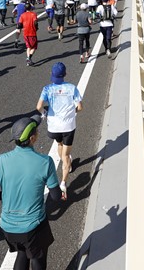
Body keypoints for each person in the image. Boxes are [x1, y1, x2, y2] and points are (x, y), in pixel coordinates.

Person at [0, 114, 62, 270]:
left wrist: (5, 194)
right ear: (32, 138)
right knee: (37, 259)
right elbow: (56, 196)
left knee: (22, 253)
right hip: (33, 227)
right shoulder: (45, 162)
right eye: (37, 131)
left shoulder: (1, 160)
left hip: (8, 228)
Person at [36, 63, 83, 199]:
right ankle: (63, 183)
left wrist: (45, 112)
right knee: (66, 156)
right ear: (65, 74)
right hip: (68, 126)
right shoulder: (72, 88)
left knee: (59, 144)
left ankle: (64, 161)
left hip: (54, 127)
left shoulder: (47, 89)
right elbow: (80, 107)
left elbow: (38, 106)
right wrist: (72, 111)